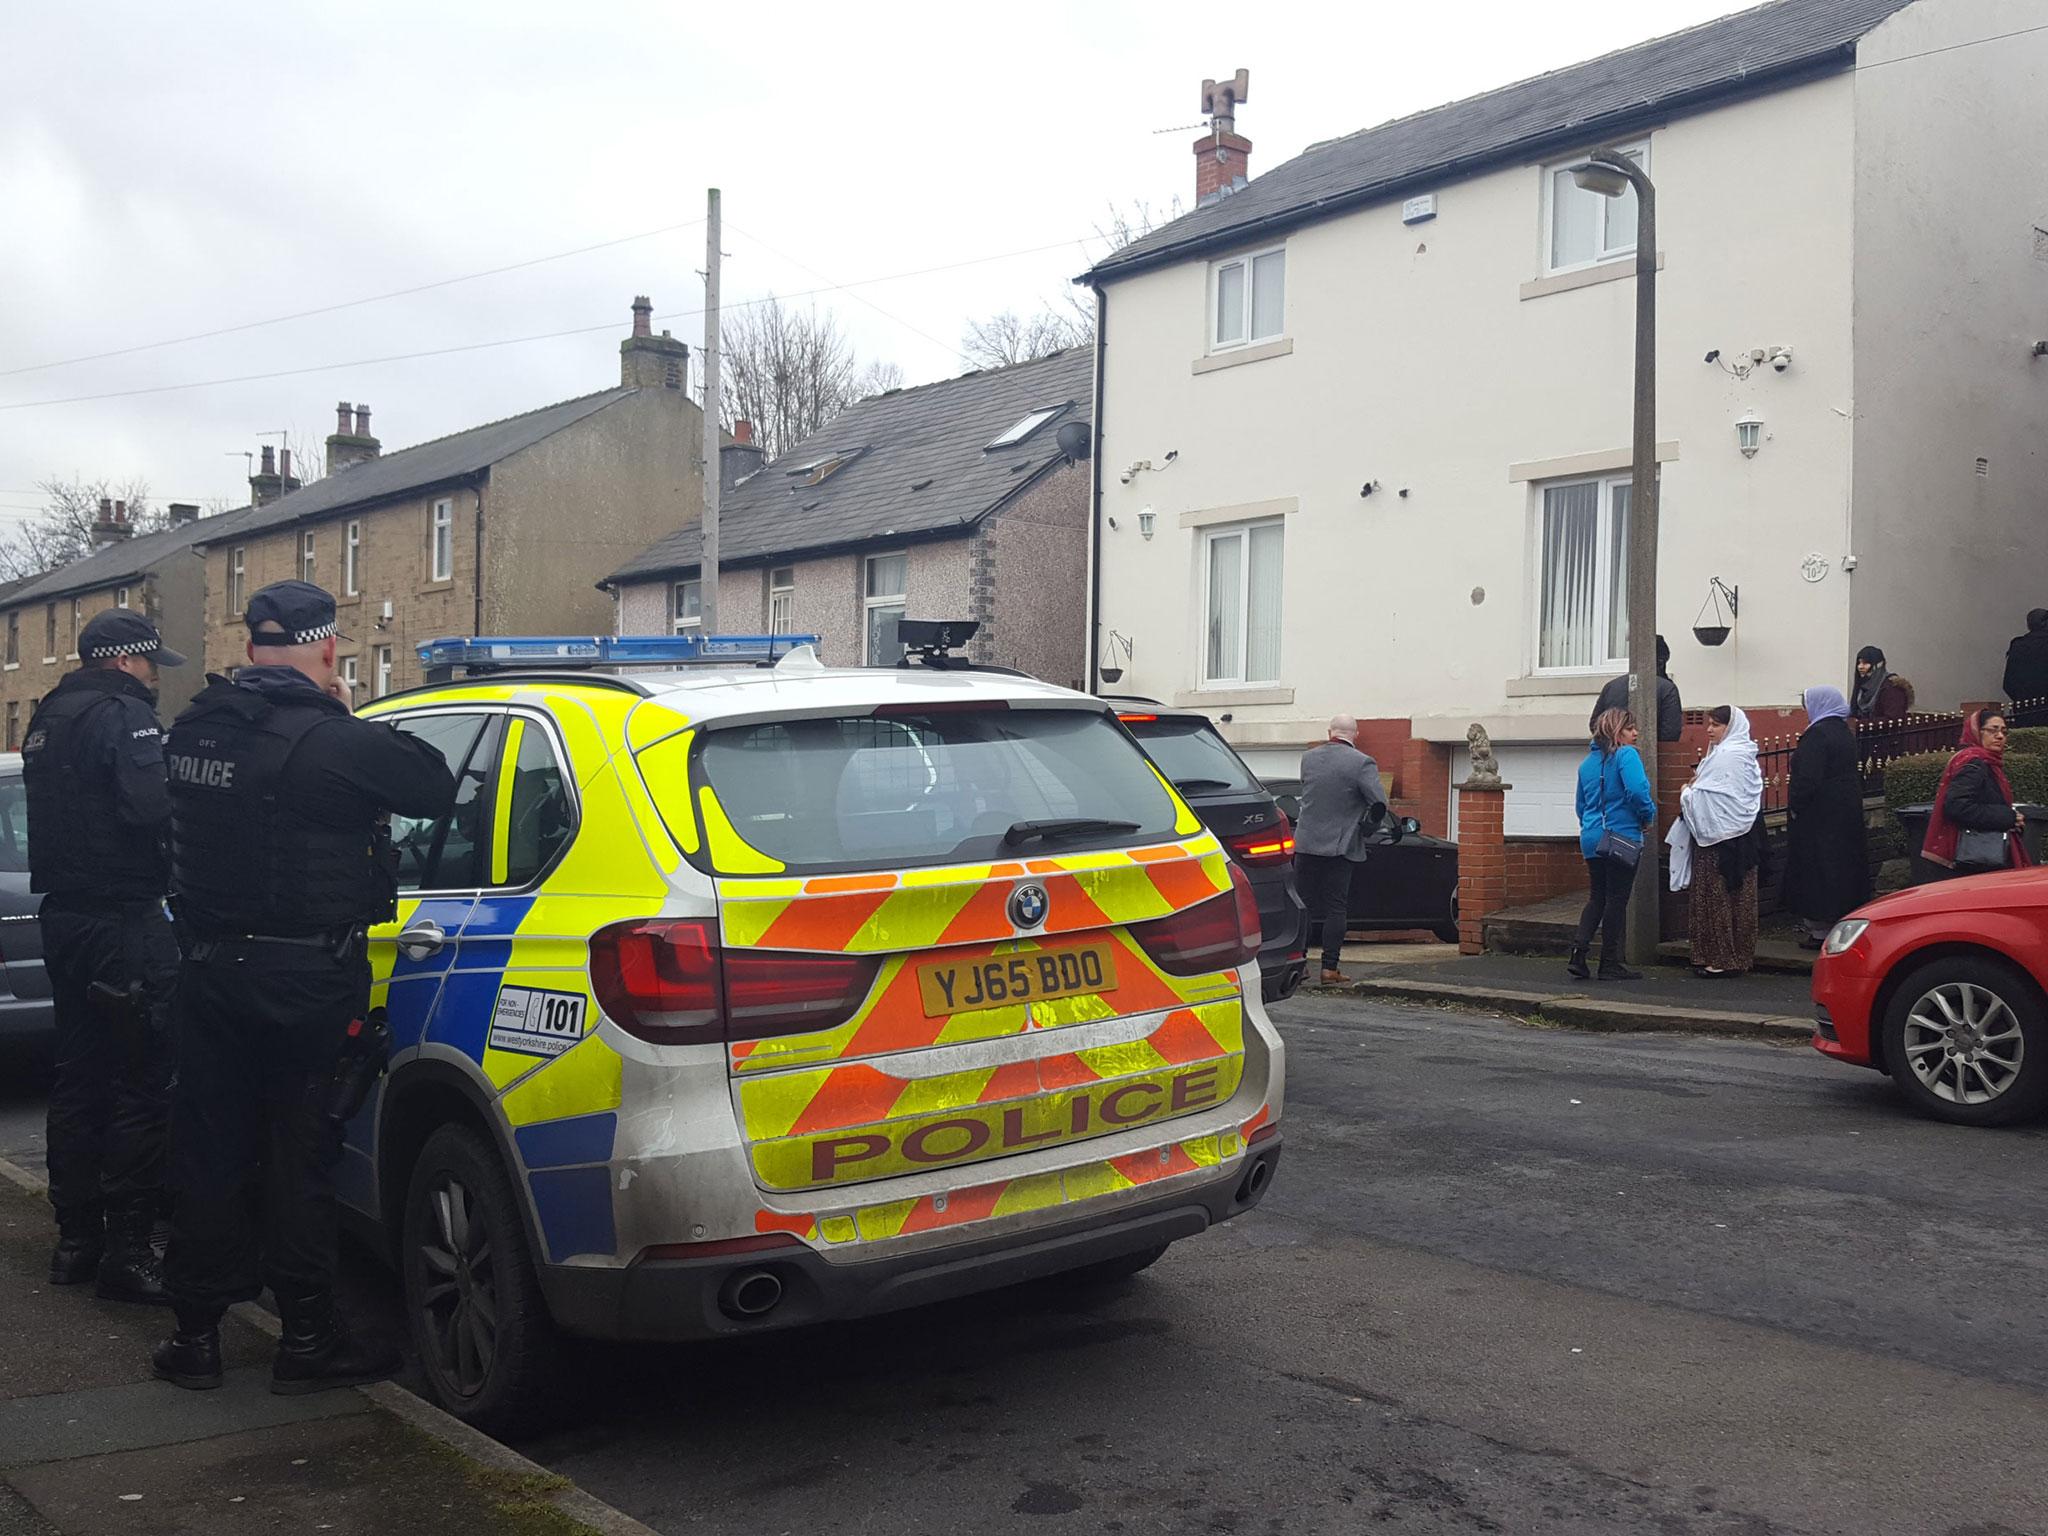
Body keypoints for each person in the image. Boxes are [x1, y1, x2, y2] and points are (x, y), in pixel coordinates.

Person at [151, 582, 456, 1395]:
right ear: (329, 651)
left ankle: (193, 1337)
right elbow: (433, 785)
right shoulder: (335, 740)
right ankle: (309, 1339)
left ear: (251, 648)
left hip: (210, 970)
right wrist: (342, 711)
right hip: (304, 980)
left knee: (208, 1150)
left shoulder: (193, 728)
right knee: (300, 1154)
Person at [21, 610, 185, 1304]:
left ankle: (76, 1241)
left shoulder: (47, 715)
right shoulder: (125, 715)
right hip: (123, 920)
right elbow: (152, 809)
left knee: (80, 1078)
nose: (155, 676)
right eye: (152, 664)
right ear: (125, 661)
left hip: (64, 917)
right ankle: (127, 1251)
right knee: (142, 1084)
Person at [1292, 714, 1392, 985]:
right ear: (1355, 734)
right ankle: (1329, 968)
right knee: (1336, 906)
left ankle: (1299, 965)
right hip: (1341, 845)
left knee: (1304, 905)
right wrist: (1368, 829)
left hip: (1306, 842)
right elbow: (1379, 804)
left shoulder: (1308, 758)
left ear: (1329, 732)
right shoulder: (1361, 762)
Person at [1672, 706, 1764, 977]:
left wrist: (1686, 793)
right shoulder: (1745, 752)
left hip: (1719, 842)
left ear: (1730, 726)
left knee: (1717, 897)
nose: (1709, 730)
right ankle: (1738, 955)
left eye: (1716, 725)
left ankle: (1721, 958)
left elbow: (1703, 796)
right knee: (1739, 898)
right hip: (1744, 837)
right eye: (1708, 724)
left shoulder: (1725, 755)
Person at [1570, 708, 1656, 982]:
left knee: (1597, 897)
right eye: (1630, 729)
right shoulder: (1626, 755)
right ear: (1617, 731)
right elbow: (1637, 791)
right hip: (1621, 836)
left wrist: (1592, 827)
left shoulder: (1586, 764)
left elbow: (1581, 807)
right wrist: (1647, 817)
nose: (1635, 734)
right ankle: (1609, 963)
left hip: (1592, 838)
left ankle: (1578, 954)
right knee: (1617, 900)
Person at [1785, 685, 1871, 946]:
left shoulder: (1818, 736)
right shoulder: (1844, 732)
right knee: (1842, 867)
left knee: (1820, 870)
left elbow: (1808, 779)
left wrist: (1796, 804)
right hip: (1844, 812)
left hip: (1819, 816)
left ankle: (1821, 929)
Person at [1921, 707, 2033, 878]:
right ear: (1976, 732)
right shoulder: (1973, 764)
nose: (2000, 736)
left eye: (2004, 731)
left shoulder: (1988, 763)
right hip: (1973, 863)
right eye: (1992, 730)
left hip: (1981, 858)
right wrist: (2007, 817)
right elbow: (1957, 806)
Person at [1589, 634, 1683, 742]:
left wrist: (1613, 743)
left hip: (1610, 753)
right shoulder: (1667, 688)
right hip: (1652, 755)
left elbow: (1595, 725)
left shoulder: (1611, 687)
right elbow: (1671, 733)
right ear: (1661, 662)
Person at [2001, 609, 2048, 717]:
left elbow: (2008, 683)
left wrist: (2023, 699)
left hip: (2024, 709)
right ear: (2044, 623)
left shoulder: (2018, 646)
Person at [1849, 647, 1913, 722]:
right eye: (1859, 663)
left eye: (1865, 663)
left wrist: (1862, 724)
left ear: (1878, 665)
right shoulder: (1863, 688)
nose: (1860, 667)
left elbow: (1893, 720)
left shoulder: (1892, 688)